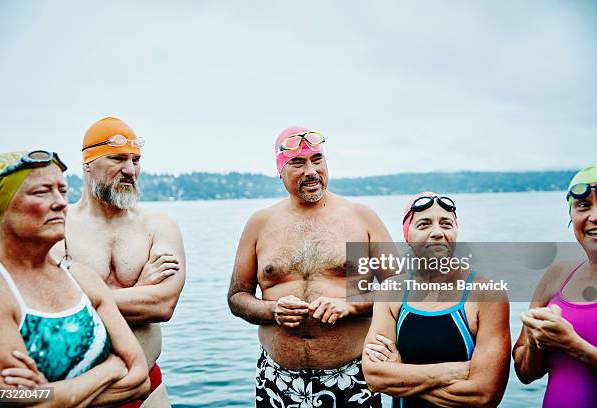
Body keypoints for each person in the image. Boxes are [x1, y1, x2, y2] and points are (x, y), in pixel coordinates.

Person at [228, 126, 392, 407]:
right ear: (280, 171)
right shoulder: (260, 224)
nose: (311, 171)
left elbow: (401, 288)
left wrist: (350, 305)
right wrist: (272, 310)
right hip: (277, 380)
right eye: (297, 163)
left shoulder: (360, 219)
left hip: (353, 376)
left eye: (317, 160)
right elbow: (237, 297)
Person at [0, 150, 149, 406]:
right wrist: (112, 369)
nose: (60, 203)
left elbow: (141, 379)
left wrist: (56, 395)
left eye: (62, 191)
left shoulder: (83, 278)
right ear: (2, 205)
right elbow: (16, 401)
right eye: (41, 192)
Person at [56, 117, 186, 407]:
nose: (130, 170)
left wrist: (86, 297)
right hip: (78, 394)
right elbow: (54, 312)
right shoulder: (58, 227)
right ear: (87, 163)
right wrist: (141, 286)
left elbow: (162, 305)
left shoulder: (157, 226)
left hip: (147, 390)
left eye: (135, 160)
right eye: (117, 158)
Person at [362, 192, 510, 407]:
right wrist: (453, 371)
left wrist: (401, 372)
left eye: (446, 224)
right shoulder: (391, 291)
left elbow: (484, 395)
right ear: (408, 236)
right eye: (424, 225)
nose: (437, 233)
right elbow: (375, 377)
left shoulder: (486, 294)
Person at [513, 165, 597, 408]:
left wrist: (573, 345)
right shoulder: (558, 275)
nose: (594, 216)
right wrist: (536, 340)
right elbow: (525, 373)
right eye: (583, 206)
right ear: (571, 216)